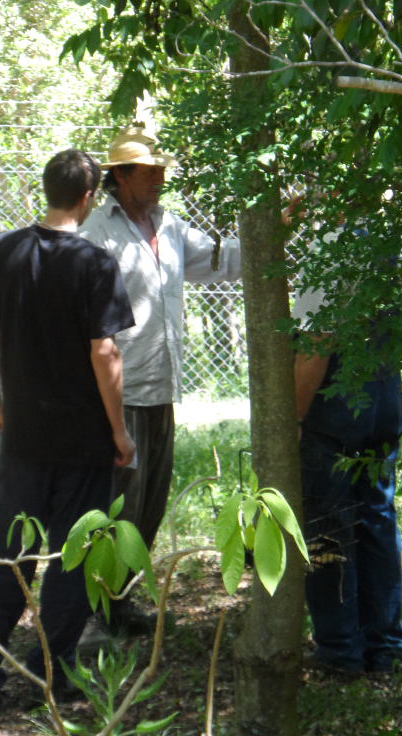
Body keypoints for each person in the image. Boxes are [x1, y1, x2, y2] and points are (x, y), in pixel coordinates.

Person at [0, 149, 136, 707]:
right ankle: (52, 674)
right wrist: (120, 432)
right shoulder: (96, 263)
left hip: (23, 435)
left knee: (9, 550)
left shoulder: (6, 250)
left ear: (48, 189)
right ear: (88, 197)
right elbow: (104, 352)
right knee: (71, 556)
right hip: (83, 439)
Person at [77, 126, 241, 631]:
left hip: (162, 387)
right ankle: (93, 610)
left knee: (150, 500)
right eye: (150, 171)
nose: (159, 179)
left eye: (161, 171)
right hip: (119, 392)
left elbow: (220, 261)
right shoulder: (97, 233)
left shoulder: (170, 226)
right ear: (121, 176)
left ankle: (121, 602)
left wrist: (277, 230)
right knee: (117, 502)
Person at [294, 278, 402, 677]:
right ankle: (387, 645)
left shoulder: (329, 255)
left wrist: (293, 417)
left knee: (327, 527)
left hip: (337, 406)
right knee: (378, 517)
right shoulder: (399, 251)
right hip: (385, 396)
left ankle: (340, 650)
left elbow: (316, 344)